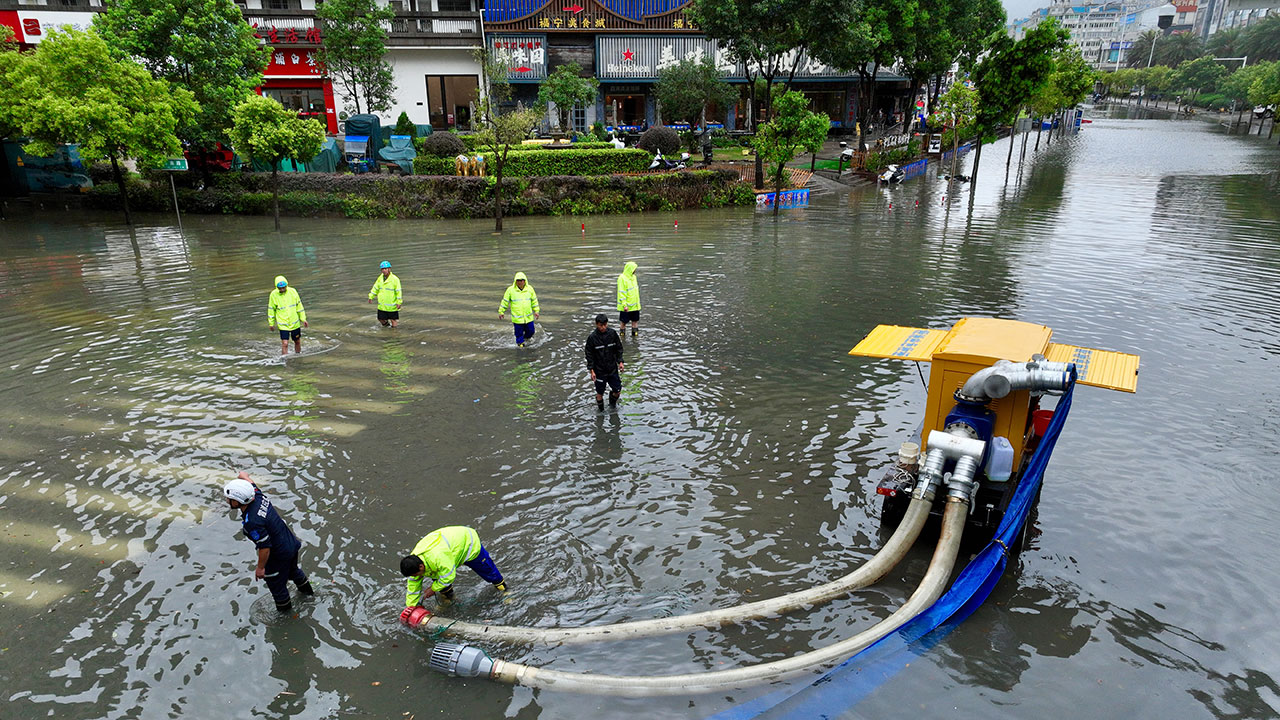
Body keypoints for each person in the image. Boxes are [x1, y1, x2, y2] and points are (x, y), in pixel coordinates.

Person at [224, 471, 313, 613]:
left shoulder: (252, 521)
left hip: (277, 555)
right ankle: (309, 594)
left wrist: (260, 568)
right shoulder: (258, 497)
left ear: (237, 502)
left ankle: (287, 618)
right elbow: (249, 481)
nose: (227, 500)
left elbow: (265, 547)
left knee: (277, 587)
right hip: (290, 544)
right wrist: (243, 476)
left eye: (229, 498)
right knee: (293, 571)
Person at [399, 526, 506, 613]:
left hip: (468, 543)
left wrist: (433, 589)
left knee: (487, 570)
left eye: (416, 575)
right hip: (450, 547)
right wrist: (411, 607)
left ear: (421, 567)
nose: (416, 578)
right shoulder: (413, 563)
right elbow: (413, 586)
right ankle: (449, 599)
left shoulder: (439, 557)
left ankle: (505, 591)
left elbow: (449, 576)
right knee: (438, 577)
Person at [585, 313, 624, 410]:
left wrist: (620, 362)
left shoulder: (612, 334)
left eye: (605, 325)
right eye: (601, 325)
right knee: (600, 393)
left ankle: (612, 406)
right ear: (596, 324)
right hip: (599, 370)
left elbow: (619, 348)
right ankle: (601, 411)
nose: (603, 327)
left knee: (617, 391)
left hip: (612, 368)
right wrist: (591, 371)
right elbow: (589, 355)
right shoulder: (592, 338)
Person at [268, 275, 308, 356]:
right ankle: (285, 359)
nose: (282, 289)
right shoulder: (273, 295)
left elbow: (299, 306)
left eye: (284, 287)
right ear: (277, 287)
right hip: (283, 324)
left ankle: (298, 356)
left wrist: (303, 319)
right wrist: (271, 323)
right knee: (285, 343)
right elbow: (271, 309)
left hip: (294, 322)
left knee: (297, 341)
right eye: (280, 288)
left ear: (287, 285)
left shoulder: (293, 291)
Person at [498, 272, 539, 347]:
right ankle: (520, 344)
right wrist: (501, 311)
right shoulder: (510, 290)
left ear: (525, 281)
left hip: (528, 317)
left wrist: (536, 311)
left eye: (522, 280)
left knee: (531, 331)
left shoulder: (530, 289)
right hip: (517, 318)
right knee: (519, 333)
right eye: (518, 280)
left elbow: (534, 301)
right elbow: (505, 301)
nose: (520, 282)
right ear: (515, 281)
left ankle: (525, 338)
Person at [367, 260, 402, 328]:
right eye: (382, 269)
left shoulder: (395, 279)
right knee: (380, 319)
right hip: (382, 304)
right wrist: (371, 296)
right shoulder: (380, 278)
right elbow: (375, 288)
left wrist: (399, 302)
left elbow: (398, 291)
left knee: (393, 320)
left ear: (389, 269)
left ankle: (394, 331)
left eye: (385, 269)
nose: (384, 270)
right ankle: (387, 327)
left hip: (391, 305)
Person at [616, 261, 641, 335]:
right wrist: (624, 305)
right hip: (626, 306)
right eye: (634, 269)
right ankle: (622, 335)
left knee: (635, 321)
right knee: (623, 322)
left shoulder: (634, 277)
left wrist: (637, 304)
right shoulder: (622, 278)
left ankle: (635, 335)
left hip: (635, 305)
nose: (635, 271)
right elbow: (621, 292)